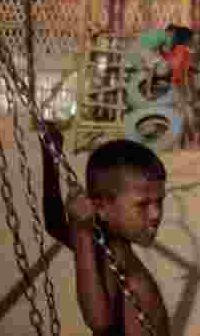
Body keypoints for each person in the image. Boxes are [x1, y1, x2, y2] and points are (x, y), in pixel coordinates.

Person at [42, 129, 171, 335]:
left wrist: (80, 230)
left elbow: (54, 224)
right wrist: (50, 157)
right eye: (142, 204)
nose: (156, 214)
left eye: (159, 201)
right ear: (101, 208)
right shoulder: (101, 248)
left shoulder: (130, 275)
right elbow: (55, 224)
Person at [165, 26, 200, 149]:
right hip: (181, 84)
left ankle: (183, 142)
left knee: (181, 114)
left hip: (177, 84)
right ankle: (188, 142)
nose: (193, 40)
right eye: (191, 38)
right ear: (186, 38)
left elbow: (173, 65)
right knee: (184, 114)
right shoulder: (183, 50)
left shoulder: (177, 50)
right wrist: (189, 90)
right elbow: (181, 69)